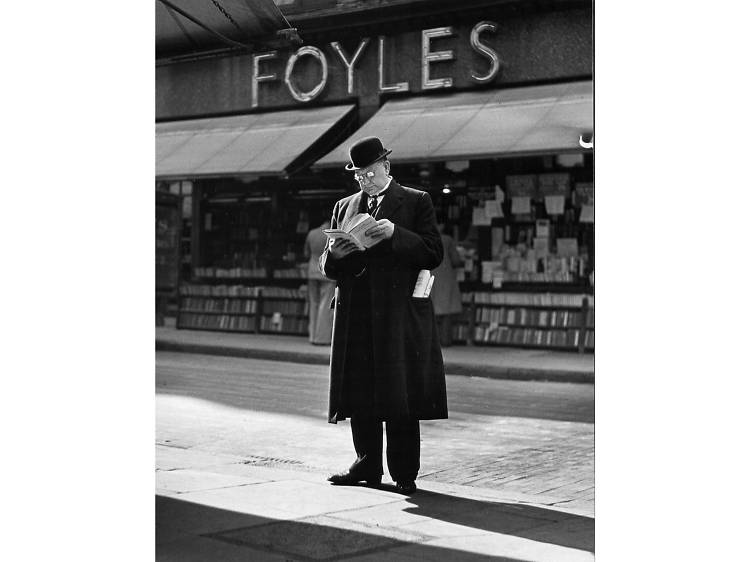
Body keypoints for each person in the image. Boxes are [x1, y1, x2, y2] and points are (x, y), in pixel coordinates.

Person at [319, 136, 447, 495]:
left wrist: (396, 234)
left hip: (397, 314)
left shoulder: (417, 201)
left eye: (370, 173)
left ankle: (404, 472)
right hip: (357, 312)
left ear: (386, 168)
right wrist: (335, 253)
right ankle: (366, 464)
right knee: (360, 389)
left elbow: (433, 252)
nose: (365, 181)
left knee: (400, 390)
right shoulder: (344, 206)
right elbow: (327, 265)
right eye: (359, 176)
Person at [304, 219, 336, 345]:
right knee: (325, 305)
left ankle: (312, 336)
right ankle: (321, 338)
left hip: (312, 270)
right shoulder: (331, 233)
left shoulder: (311, 233)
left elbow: (306, 252)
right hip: (326, 271)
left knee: (313, 303)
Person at [431, 224, 464, 346]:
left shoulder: (425, 237)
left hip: (429, 275)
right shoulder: (447, 239)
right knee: (446, 311)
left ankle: (433, 343)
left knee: (432, 311)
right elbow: (456, 260)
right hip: (445, 276)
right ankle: (445, 341)